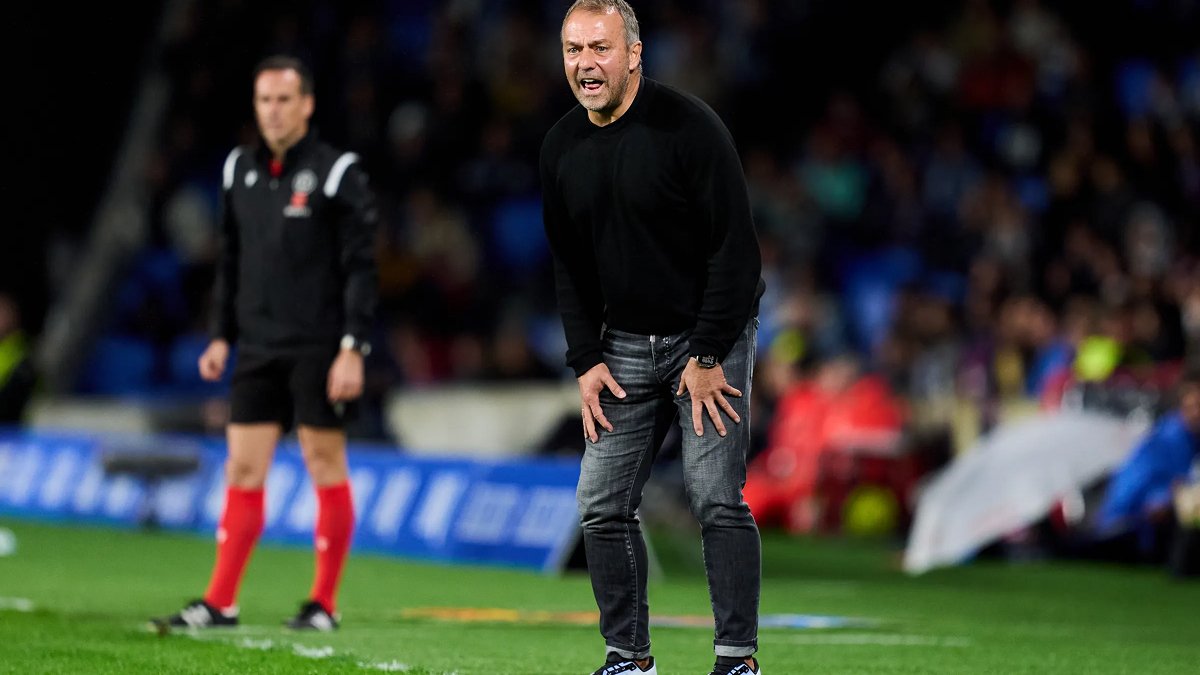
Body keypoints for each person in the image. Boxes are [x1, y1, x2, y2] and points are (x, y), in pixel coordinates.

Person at [540, 2, 765, 673]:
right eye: (574, 49)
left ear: (634, 53)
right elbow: (569, 265)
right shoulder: (561, 147)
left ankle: (736, 661)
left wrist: (704, 354)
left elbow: (737, 254)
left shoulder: (689, 129)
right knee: (600, 504)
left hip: (709, 337)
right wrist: (584, 359)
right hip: (622, 346)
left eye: (600, 48)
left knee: (716, 497)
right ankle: (629, 658)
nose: (586, 64)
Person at [152, 55, 378, 632]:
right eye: (264, 101)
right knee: (242, 470)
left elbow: (361, 268)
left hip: (318, 346)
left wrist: (353, 346)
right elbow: (232, 259)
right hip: (256, 345)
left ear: (307, 104)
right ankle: (220, 601)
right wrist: (221, 334)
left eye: (284, 100)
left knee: (324, 464)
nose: (273, 111)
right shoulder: (238, 170)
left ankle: (323, 604)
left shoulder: (336, 171)